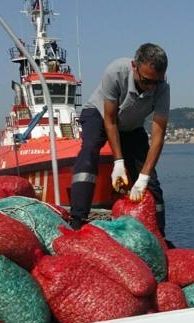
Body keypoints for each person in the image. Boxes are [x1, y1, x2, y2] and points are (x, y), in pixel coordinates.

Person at [69, 43, 170, 231]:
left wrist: (143, 178)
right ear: (134, 66)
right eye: (146, 81)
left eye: (156, 82)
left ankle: (159, 235)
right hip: (100, 114)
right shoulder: (115, 72)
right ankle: (77, 221)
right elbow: (110, 120)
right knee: (90, 150)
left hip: (131, 126)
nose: (151, 88)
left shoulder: (161, 87)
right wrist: (118, 162)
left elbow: (158, 137)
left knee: (152, 182)